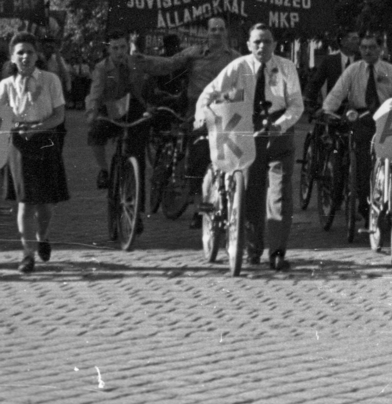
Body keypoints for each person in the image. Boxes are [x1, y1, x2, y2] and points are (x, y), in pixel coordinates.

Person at [195, 24, 305, 271]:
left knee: (280, 194)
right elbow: (210, 92)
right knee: (251, 192)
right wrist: (201, 114)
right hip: (245, 127)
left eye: (266, 41)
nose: (262, 46)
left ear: (274, 44)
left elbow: (296, 105)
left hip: (278, 130)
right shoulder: (238, 67)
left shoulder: (286, 68)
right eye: (256, 42)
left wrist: (280, 125)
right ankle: (252, 250)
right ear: (248, 45)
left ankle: (277, 252)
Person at [137, 14, 238, 227]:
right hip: (198, 118)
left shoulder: (235, 59)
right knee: (198, 166)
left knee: (229, 165)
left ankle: (230, 207)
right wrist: (142, 61)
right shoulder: (194, 54)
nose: (217, 33)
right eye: (213, 29)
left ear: (225, 32)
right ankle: (201, 212)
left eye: (221, 29)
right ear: (207, 32)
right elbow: (169, 64)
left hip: (226, 117)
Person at [322, 32, 392, 234]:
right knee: (362, 160)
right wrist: (327, 111)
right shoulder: (353, 70)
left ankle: (389, 199)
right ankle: (366, 208)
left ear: (380, 49)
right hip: (361, 119)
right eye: (364, 47)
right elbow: (337, 93)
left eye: (372, 47)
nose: (367, 51)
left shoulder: (389, 71)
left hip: (385, 118)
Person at [4, 33, 69, 273]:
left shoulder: (51, 80)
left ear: (37, 55)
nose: (25, 57)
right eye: (19, 52)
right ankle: (27, 254)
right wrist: (13, 125)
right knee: (25, 203)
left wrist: (38, 128)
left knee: (46, 206)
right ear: (12, 57)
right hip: (20, 146)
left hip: (45, 142)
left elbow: (59, 115)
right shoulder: (5, 86)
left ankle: (43, 236)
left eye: (29, 52)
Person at [85, 30, 152, 189]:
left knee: (138, 152)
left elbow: (138, 90)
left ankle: (137, 205)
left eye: (122, 47)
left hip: (128, 107)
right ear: (108, 49)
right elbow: (95, 93)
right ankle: (103, 170)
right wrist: (92, 113)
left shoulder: (133, 63)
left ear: (127, 46)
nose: (119, 52)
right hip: (108, 109)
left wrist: (147, 105)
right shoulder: (101, 68)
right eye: (115, 48)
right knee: (95, 133)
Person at [308, 31, 361, 106]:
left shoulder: (363, 61)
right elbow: (316, 82)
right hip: (336, 107)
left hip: (359, 107)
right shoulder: (329, 61)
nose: (358, 42)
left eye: (358, 38)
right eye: (354, 39)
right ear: (343, 42)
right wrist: (306, 97)